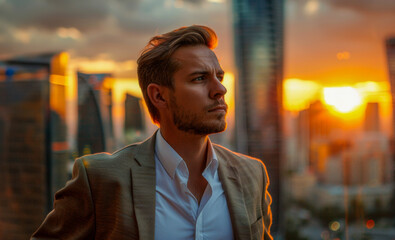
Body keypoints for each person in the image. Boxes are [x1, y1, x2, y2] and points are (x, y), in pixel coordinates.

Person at [32, 25, 272, 240]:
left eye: (218, 76)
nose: (220, 89)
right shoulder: (101, 180)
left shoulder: (252, 174)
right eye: (199, 78)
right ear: (159, 96)